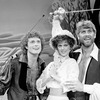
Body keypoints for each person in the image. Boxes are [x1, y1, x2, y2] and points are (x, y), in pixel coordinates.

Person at [36, 10, 79, 100]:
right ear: (56, 47)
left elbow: (73, 85)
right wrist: (48, 78)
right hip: (50, 97)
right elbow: (39, 84)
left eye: (65, 45)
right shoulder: (52, 65)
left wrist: (55, 76)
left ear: (70, 46)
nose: (62, 48)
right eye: (60, 45)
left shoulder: (72, 63)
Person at [0, 31, 48, 100]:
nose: (36, 44)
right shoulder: (14, 63)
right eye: (32, 42)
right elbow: (2, 86)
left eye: (38, 42)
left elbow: (44, 92)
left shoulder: (42, 65)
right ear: (26, 46)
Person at [66, 20, 100, 100]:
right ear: (78, 36)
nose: (87, 34)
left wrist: (83, 87)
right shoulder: (72, 55)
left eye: (90, 31)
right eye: (83, 32)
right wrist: (56, 21)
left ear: (94, 35)